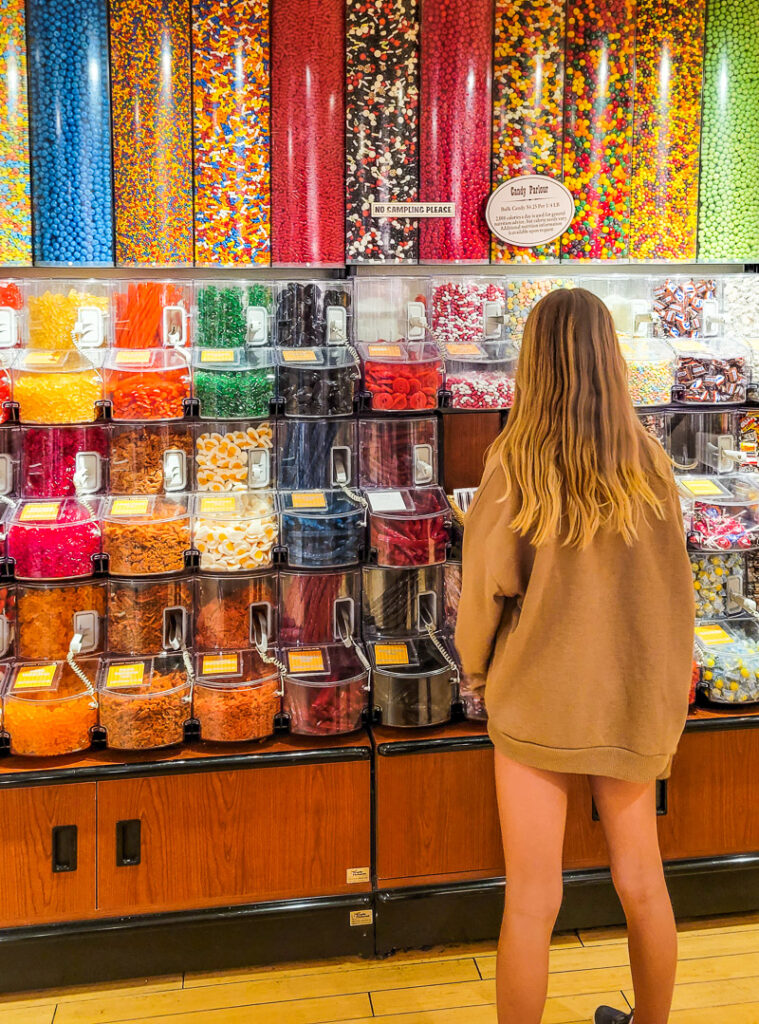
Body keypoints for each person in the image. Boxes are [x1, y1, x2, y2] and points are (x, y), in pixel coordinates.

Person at [455, 288, 694, 1024]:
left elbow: (484, 593)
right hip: (631, 697)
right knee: (642, 884)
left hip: (537, 695)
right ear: (610, 358)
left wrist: (474, 671)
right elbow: (675, 588)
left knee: (531, 900)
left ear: (532, 362)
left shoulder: (514, 462)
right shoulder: (648, 464)